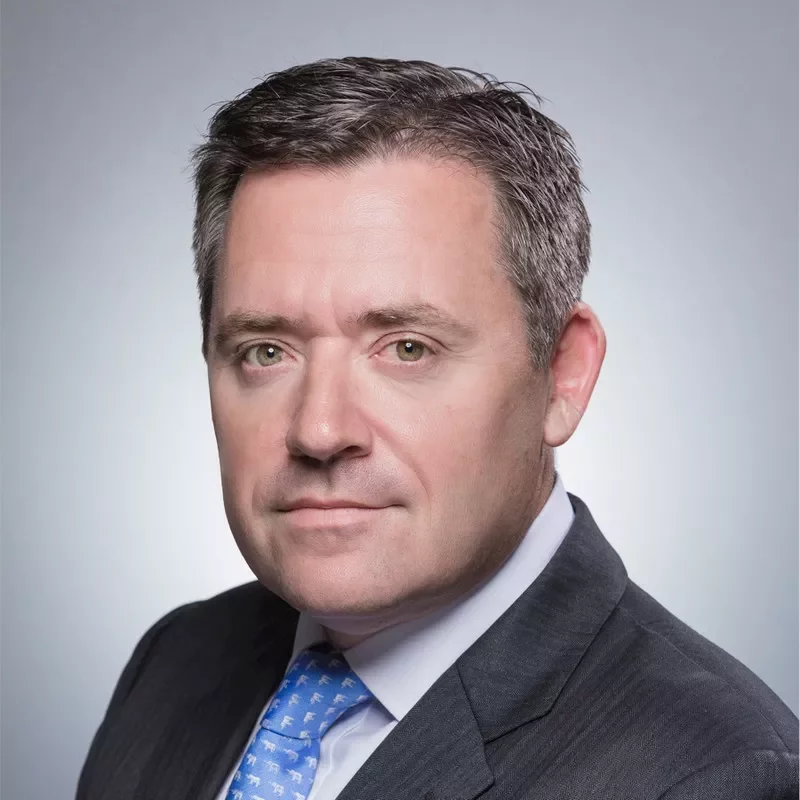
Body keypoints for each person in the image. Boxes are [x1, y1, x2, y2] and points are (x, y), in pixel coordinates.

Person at [75, 56, 798, 800]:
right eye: (266, 351)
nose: (319, 430)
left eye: (407, 349)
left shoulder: (719, 774)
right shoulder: (175, 662)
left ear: (562, 373)